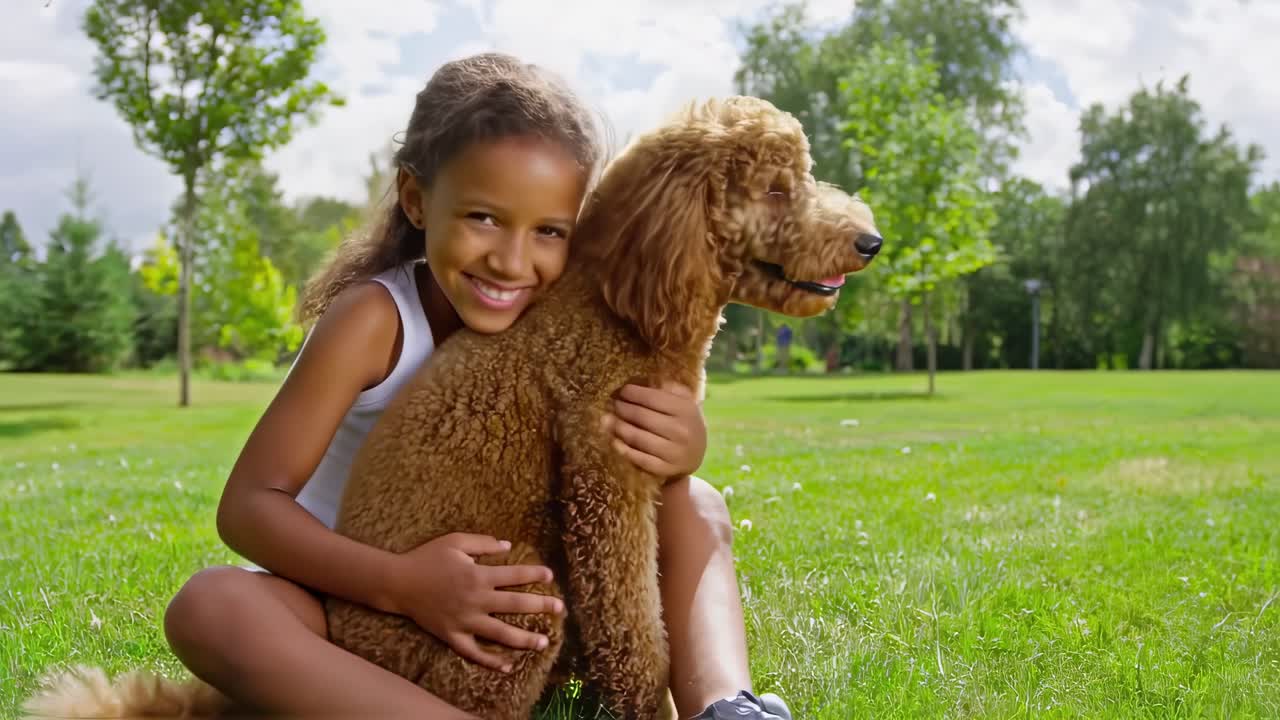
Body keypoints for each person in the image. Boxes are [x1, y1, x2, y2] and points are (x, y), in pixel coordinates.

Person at [162, 53, 791, 720]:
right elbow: (249, 506)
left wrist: (684, 444)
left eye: (550, 231)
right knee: (212, 608)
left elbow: (613, 476)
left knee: (697, 504)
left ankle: (725, 706)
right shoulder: (376, 319)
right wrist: (401, 585)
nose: (512, 261)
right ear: (416, 200)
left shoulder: (570, 321)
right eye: (483, 218)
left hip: (515, 604)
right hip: (351, 601)